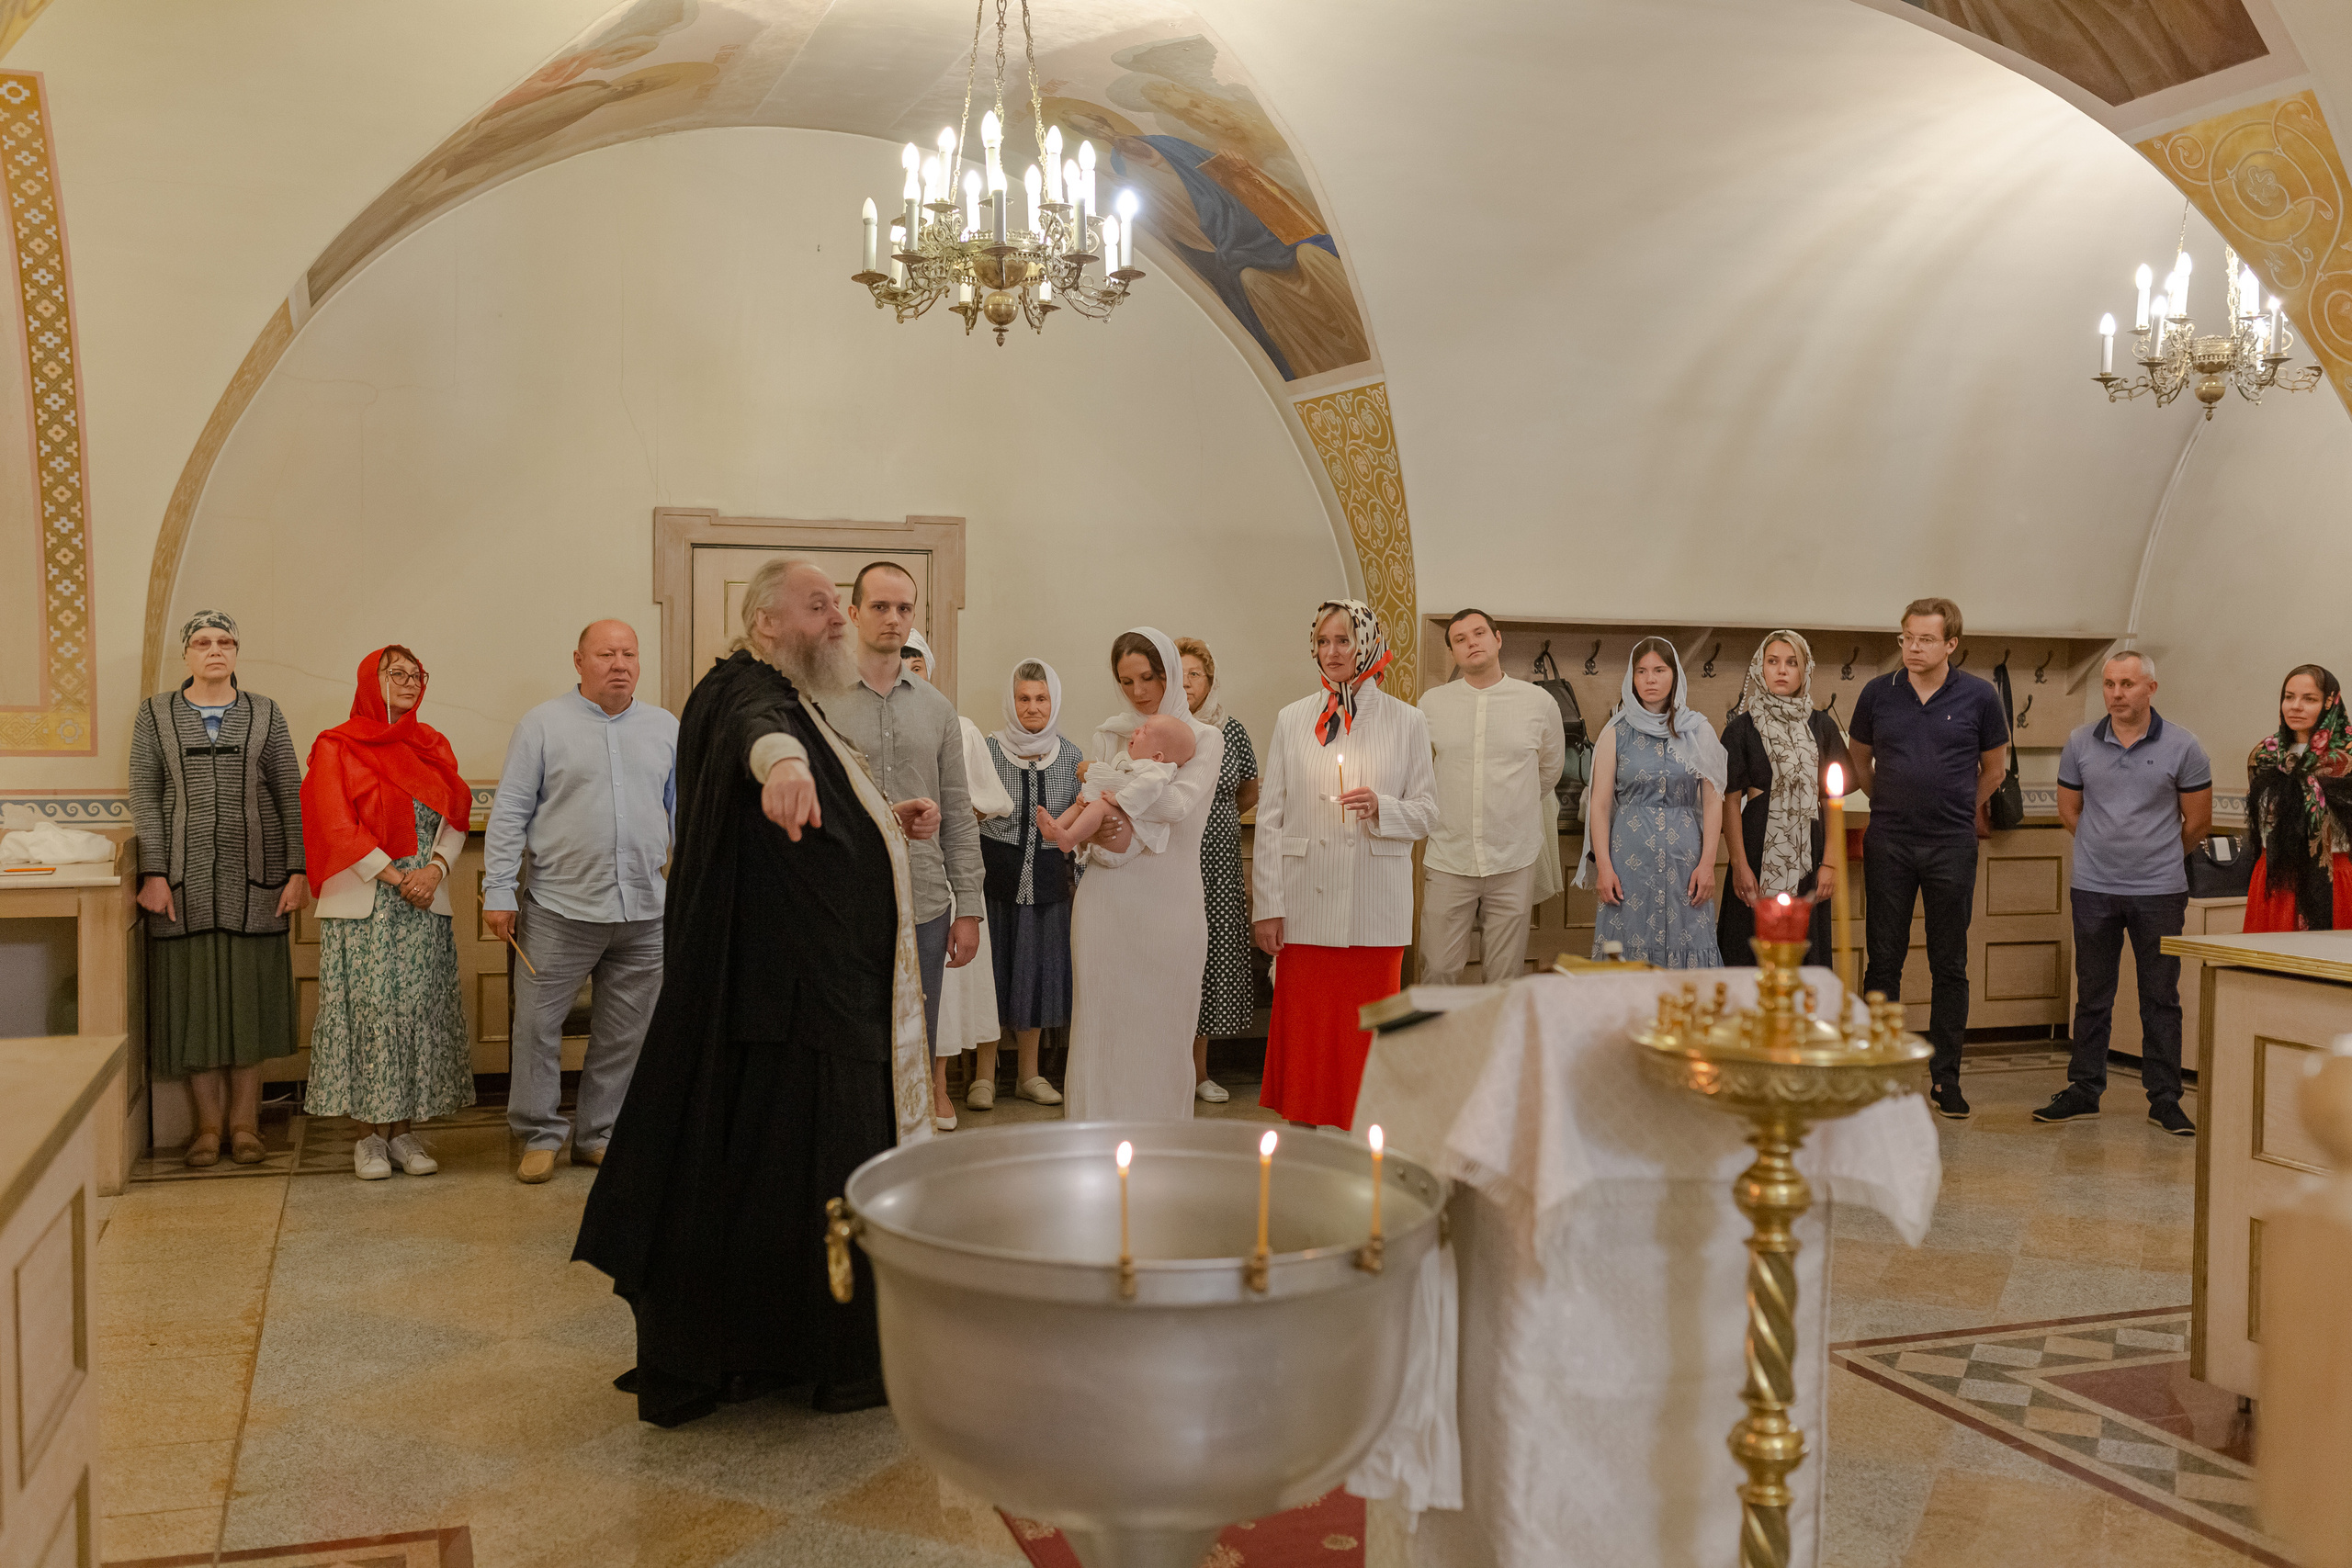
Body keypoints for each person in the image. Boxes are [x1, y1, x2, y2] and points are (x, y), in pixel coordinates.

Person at [572, 557, 933, 1427]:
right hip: (792, 1008)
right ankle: (811, 1349)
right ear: (768, 623)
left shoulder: (797, 693)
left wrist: (884, 812)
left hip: (802, 1003)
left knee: (772, 1182)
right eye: (820, 607)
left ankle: (772, 1342)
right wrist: (780, 767)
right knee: (798, 1181)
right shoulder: (746, 690)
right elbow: (758, 734)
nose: (838, 620)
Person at [481, 619, 679, 1184]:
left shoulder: (665, 727)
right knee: (538, 1029)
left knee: (624, 1032)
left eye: (629, 654)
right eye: (606, 654)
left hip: (644, 912)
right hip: (559, 910)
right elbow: (511, 812)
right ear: (579, 661)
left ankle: (599, 1135)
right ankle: (540, 1135)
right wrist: (498, 892)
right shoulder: (543, 725)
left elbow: (682, 814)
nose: (620, 664)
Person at [130, 611, 309, 1168]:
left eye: (225, 641)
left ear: (236, 652)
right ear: (186, 654)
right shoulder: (156, 714)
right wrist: (155, 873)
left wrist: (297, 871)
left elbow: (289, 792)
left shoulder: (265, 713)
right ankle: (208, 1129)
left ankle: (246, 1126)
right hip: (181, 890)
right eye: (203, 642)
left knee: (249, 1010)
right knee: (195, 1011)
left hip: (256, 884)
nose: (215, 650)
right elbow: (146, 794)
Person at [1253, 601, 1437, 1128]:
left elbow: (1426, 812)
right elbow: (1271, 819)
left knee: (1366, 1034)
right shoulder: (1293, 718)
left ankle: (1367, 1138)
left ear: (1368, 643)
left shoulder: (1407, 720)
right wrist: (1267, 906)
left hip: (1373, 906)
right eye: (1323, 642)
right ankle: (1303, 1141)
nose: (1332, 652)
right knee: (1308, 1037)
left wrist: (1384, 808)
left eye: (1343, 640)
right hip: (1304, 901)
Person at [300, 646, 477, 1179]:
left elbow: (456, 814)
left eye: (415, 674)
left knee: (415, 1013)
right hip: (365, 900)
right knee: (370, 1014)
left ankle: (404, 1135)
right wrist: (398, 877)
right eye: (394, 673)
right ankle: (368, 1139)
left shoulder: (433, 744)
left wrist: (435, 871)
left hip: (425, 899)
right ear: (368, 681)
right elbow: (335, 823)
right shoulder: (337, 745)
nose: (408, 681)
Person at [827, 562, 983, 1132]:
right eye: (880, 607)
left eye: (904, 609)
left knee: (918, 1028)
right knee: (846, 1031)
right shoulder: (819, 699)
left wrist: (968, 907)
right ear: (853, 612)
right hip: (842, 897)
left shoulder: (938, 709)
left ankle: (908, 1145)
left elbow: (960, 817)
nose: (893, 619)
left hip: (923, 899)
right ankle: (850, 1141)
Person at [1847, 596, 2010, 1121]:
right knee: (1884, 957)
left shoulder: (1979, 697)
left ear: (1951, 645)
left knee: (1949, 963)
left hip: (1950, 844)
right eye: (1906, 638)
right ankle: (1879, 1073)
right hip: (1889, 839)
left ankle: (1946, 1079)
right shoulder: (1878, 693)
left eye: (1924, 640)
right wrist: (1888, 800)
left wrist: (1959, 807)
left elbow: (1995, 769)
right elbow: (1859, 760)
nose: (1912, 648)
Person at [2037, 650, 2210, 1136]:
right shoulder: (2079, 742)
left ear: (2150, 688)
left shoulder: (2184, 746)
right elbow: (2069, 811)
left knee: (2160, 996)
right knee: (2092, 993)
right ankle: (2083, 1090)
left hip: (2159, 891)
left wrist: (2153, 857)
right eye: (2110, 684)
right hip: (2092, 888)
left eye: (2127, 684)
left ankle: (2165, 1099)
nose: (2116, 693)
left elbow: (2197, 823)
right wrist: (2102, 851)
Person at [1064, 627, 1227, 1122]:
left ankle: (1160, 1160)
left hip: (1168, 903)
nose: (1138, 692)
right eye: (1126, 680)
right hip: (1106, 899)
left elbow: (1177, 805)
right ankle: (1093, 1157)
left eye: (1149, 678)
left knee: (1162, 1033)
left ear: (1170, 674)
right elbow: (1091, 812)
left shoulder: (1204, 738)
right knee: (1100, 1031)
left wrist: (1109, 781)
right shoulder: (1112, 733)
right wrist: (1105, 796)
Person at [1417, 608, 1565, 986]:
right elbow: (1419, 774)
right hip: (1450, 856)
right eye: (1460, 640)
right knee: (1437, 969)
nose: (1472, 643)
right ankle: (1441, 1046)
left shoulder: (1538, 703)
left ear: (1498, 638)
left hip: (1512, 858)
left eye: (1479, 633)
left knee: (1504, 976)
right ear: (1452, 652)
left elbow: (1548, 772)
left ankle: (1496, 1046)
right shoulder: (1430, 705)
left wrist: (1510, 809)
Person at [901, 630, 1015, 1111]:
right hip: (884, 873)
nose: (909, 673)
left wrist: (952, 816)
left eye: (918, 665)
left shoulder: (957, 725)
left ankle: (938, 1086)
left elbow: (990, 801)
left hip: (939, 873)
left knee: (941, 995)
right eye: (901, 663)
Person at [1576, 637, 1725, 968]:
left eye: (1659, 670)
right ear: (1632, 678)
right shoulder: (1616, 732)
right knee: (1626, 943)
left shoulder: (1698, 730)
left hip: (1685, 860)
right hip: (1629, 859)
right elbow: (1600, 805)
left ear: (1675, 676)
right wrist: (1603, 867)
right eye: (1641, 671)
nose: (1650, 679)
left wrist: (1708, 864)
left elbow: (1714, 802)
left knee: (1691, 941)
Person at [976, 659, 1078, 1110]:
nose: (1032, 708)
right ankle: (982, 1076)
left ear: (1053, 702)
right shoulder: (987, 748)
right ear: (1011, 701)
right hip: (994, 879)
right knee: (991, 974)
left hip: (1049, 882)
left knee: (1035, 976)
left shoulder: (1072, 757)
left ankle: (1028, 1075)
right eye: (1023, 698)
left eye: (1041, 698)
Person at [1719, 631, 1849, 968]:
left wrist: (1831, 863)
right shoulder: (1742, 728)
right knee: (1747, 946)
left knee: (1806, 948)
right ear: (1759, 668)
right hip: (1756, 846)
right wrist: (1739, 864)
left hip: (1810, 849)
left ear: (1805, 670)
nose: (1782, 670)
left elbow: (1833, 800)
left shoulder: (1822, 726)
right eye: (1773, 662)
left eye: (1792, 663)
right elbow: (1730, 800)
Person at [1179, 637, 1259, 1103]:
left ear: (1210, 681)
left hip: (1219, 864)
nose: (1189, 682)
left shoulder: (1232, 731)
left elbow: (1247, 791)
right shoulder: (1157, 727)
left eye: (1197, 674)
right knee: (1174, 963)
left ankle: (1198, 1072)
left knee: (1208, 967)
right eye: (1181, 673)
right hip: (1171, 861)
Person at [2243, 663, 2352, 932]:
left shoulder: (2348, 759)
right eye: (2289, 697)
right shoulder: (2264, 755)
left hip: (2334, 877)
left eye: (2309, 699)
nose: (2295, 706)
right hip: (2275, 877)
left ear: (2330, 703)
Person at [1035, 713, 1197, 854]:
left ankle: (1069, 838)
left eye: (1144, 732)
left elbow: (1144, 790)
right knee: (1084, 801)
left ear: (1157, 757)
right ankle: (1054, 828)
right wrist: (1088, 795)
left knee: (1100, 805)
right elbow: (1110, 785)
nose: (1136, 730)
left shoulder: (1157, 773)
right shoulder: (1129, 760)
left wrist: (1118, 799)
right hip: (1116, 829)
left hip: (1133, 836)